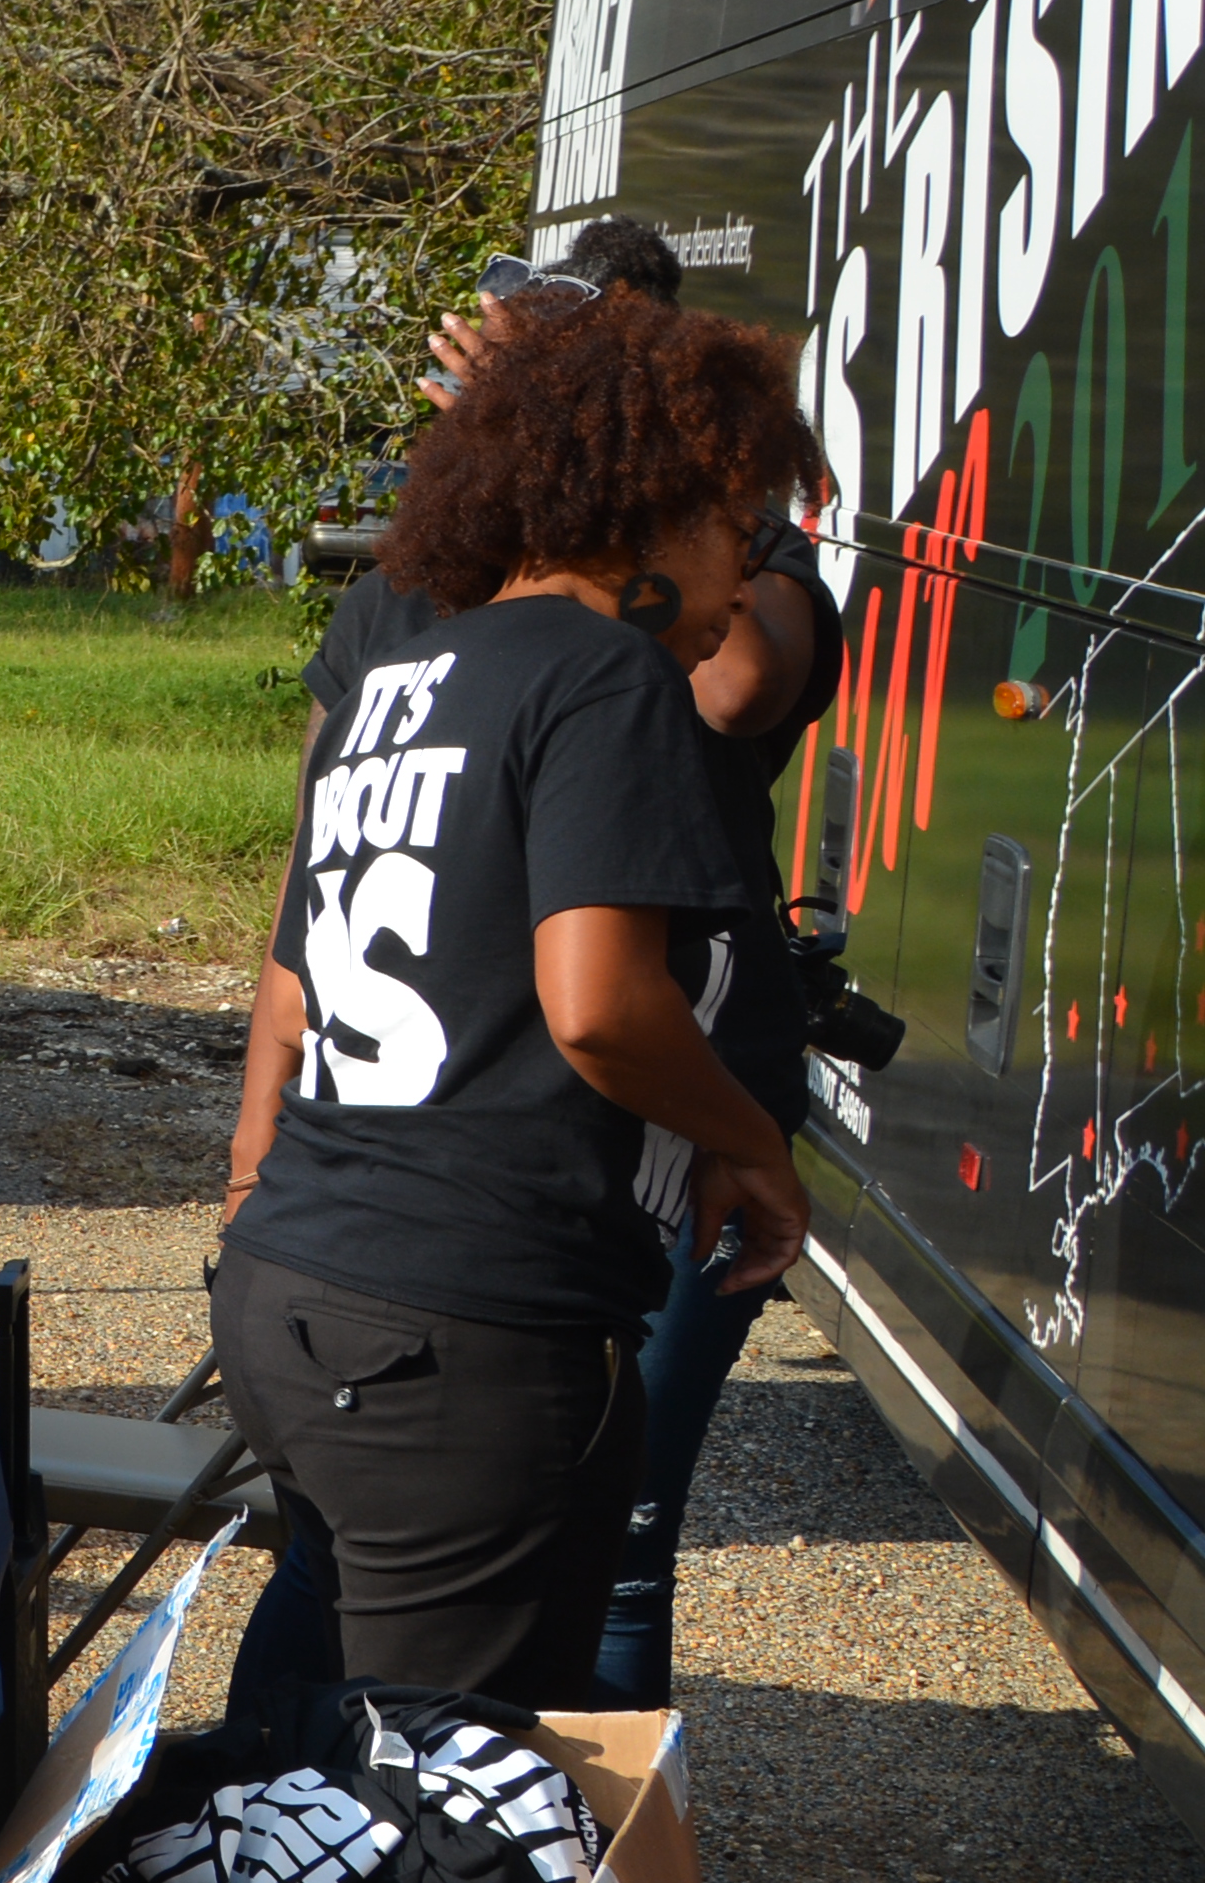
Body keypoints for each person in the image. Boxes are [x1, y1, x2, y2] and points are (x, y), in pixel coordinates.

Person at [214, 293, 811, 1712]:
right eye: (741, 531)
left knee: (313, 1715)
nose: (747, 578)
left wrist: (250, 1166)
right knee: (446, 1803)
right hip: (465, 1326)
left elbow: (297, 953)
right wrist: (751, 1140)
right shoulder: (607, 676)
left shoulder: (410, 669)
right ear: (654, 509)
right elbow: (599, 1005)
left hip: (303, 1276)